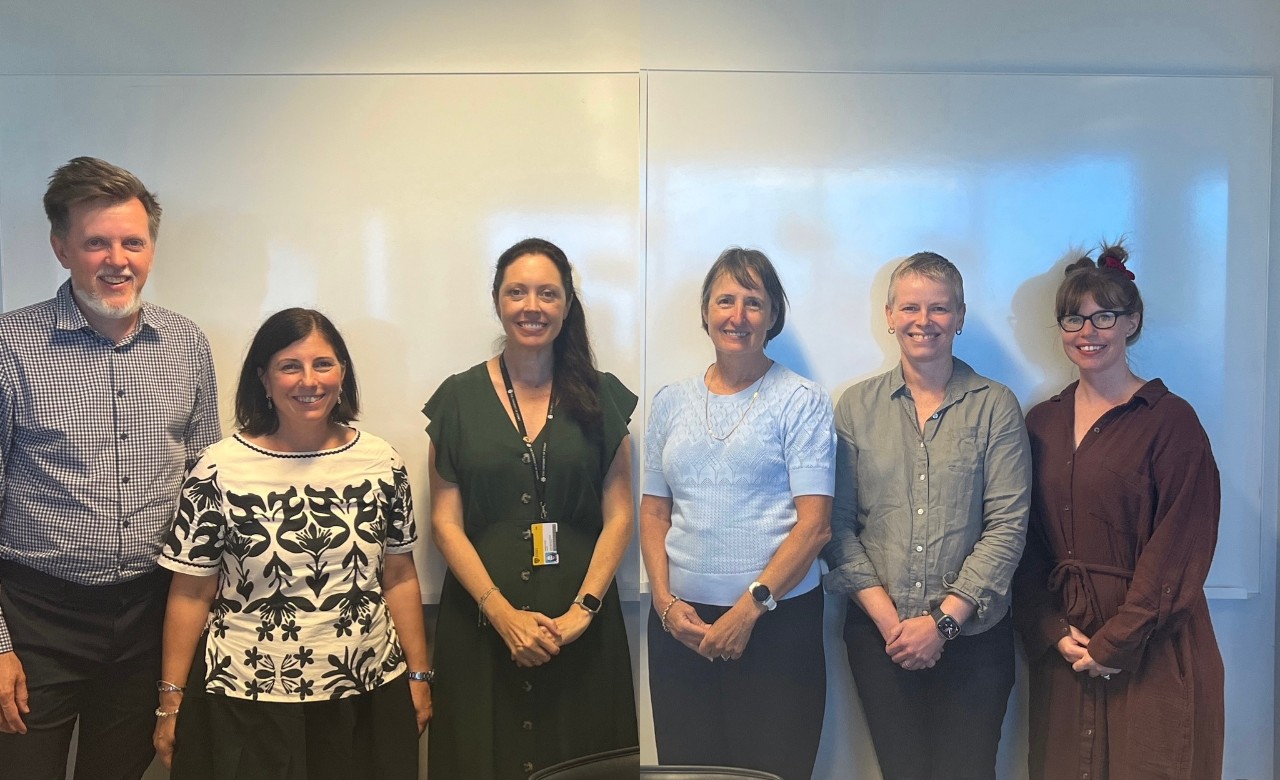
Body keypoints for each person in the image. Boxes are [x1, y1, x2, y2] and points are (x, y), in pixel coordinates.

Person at [0, 157, 220, 779]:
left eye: (133, 242)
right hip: (35, 620)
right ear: (61, 248)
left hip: (149, 619)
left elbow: (206, 491)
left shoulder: (186, 344)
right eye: (97, 242)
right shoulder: (10, 347)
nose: (117, 260)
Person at [152, 308, 431, 778]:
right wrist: (170, 701)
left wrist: (420, 677)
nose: (309, 381)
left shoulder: (382, 462)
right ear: (263, 379)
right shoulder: (217, 468)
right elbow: (191, 592)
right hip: (245, 700)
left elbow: (399, 576)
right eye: (289, 366)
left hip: (366, 694)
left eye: (323, 364)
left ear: (343, 373)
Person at [424, 237, 637, 779]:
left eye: (548, 293)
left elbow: (620, 516)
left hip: (582, 634)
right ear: (497, 300)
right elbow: (445, 523)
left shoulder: (602, 396)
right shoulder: (457, 399)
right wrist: (501, 614)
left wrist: (580, 614)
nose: (532, 307)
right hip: (480, 628)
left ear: (567, 304)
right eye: (517, 292)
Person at [1012, 245, 1224, 780]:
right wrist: (1050, 627)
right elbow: (1025, 540)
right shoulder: (1041, 422)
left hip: (1153, 647)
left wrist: (1118, 640)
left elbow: (1181, 546)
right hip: (1067, 646)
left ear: (1132, 322)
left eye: (1104, 316)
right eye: (1074, 318)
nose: (1088, 331)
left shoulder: (1172, 421)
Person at [822, 251, 1030, 780]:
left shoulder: (996, 406)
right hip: (881, 639)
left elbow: (1007, 527)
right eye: (910, 307)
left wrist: (941, 625)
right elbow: (837, 526)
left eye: (939, 308)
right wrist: (894, 626)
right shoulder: (855, 407)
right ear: (889, 316)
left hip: (975, 641)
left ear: (960, 316)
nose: (924, 320)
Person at [641, 247, 834, 780]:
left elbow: (815, 526)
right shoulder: (669, 402)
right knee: (689, 772)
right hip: (681, 628)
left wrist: (748, 610)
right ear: (706, 312)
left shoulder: (802, 400)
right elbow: (654, 513)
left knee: (772, 770)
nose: (738, 315)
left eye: (754, 302)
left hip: (776, 625)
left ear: (773, 315)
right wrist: (663, 602)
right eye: (725, 300)